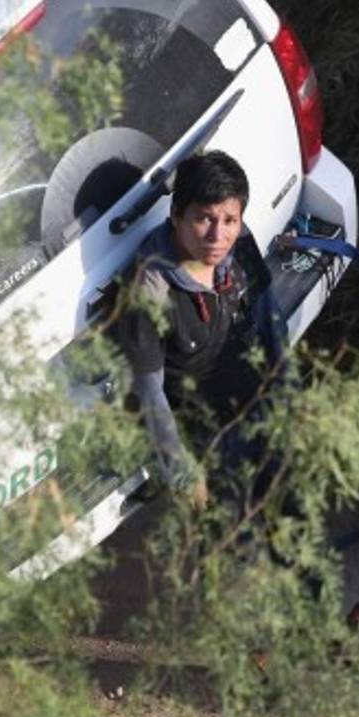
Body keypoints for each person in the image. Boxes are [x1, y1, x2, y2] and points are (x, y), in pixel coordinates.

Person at [116, 150, 286, 510]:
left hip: (255, 402)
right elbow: (150, 393)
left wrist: (289, 388)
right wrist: (181, 471)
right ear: (176, 216)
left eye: (229, 220)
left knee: (285, 506)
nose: (218, 236)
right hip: (205, 431)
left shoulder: (239, 240)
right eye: (204, 219)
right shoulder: (150, 290)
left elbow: (270, 315)